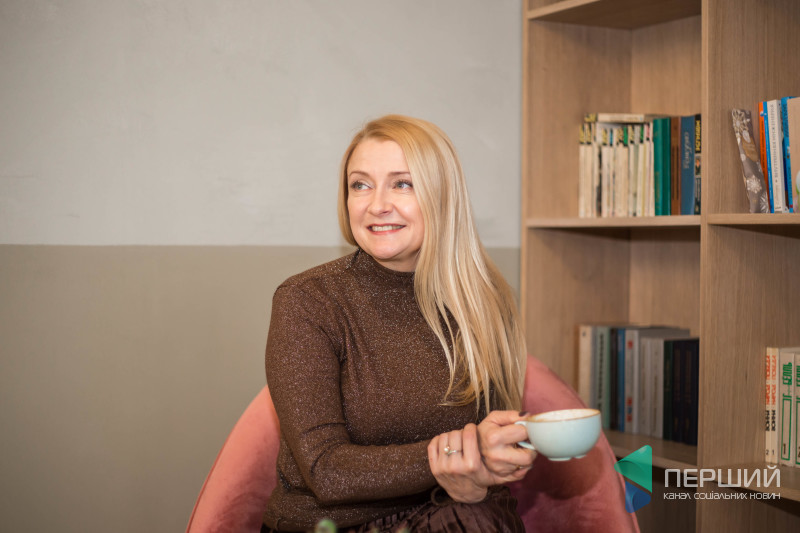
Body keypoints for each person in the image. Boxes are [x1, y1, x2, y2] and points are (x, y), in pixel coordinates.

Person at [262, 115, 535, 532]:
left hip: (454, 515)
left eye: (402, 184)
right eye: (360, 185)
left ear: (442, 197)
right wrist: (453, 455)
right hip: (330, 525)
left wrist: (485, 469)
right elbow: (326, 471)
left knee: (479, 518)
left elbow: (486, 466)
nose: (377, 205)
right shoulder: (308, 300)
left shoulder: (485, 301)